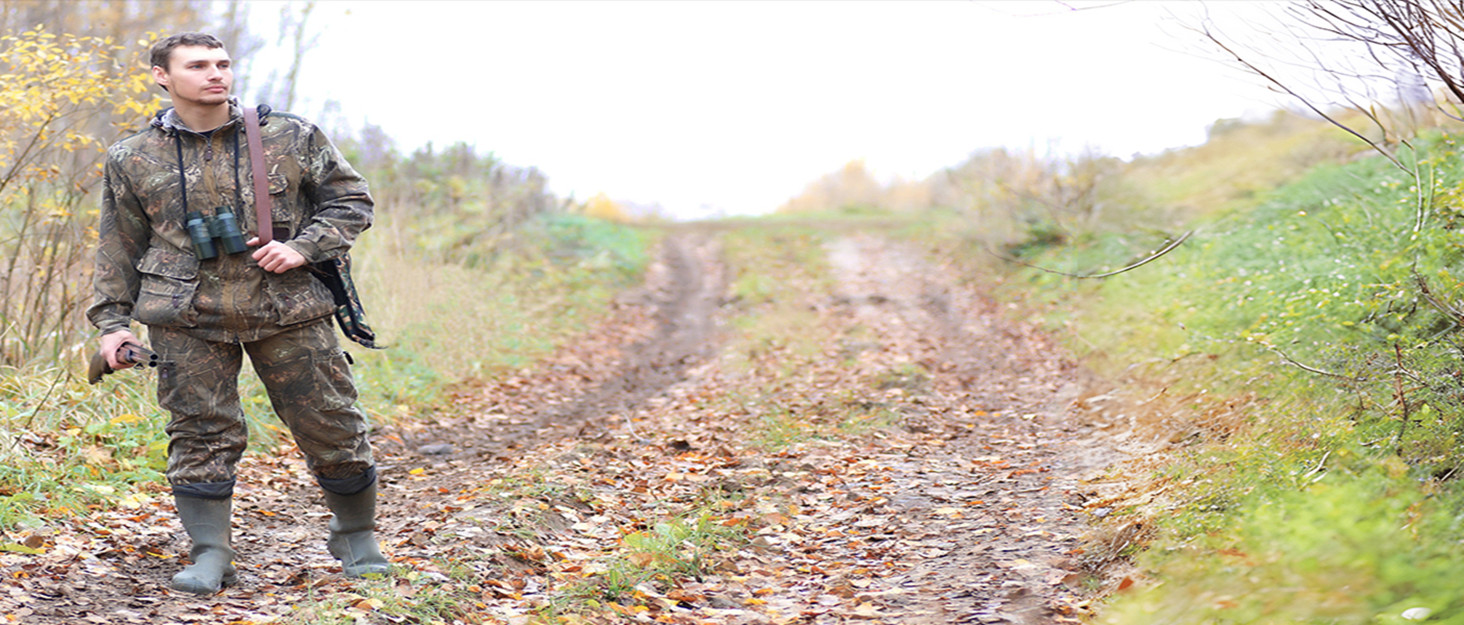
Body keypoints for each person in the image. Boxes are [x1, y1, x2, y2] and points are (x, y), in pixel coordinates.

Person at [87, 32, 387, 595]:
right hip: (185, 315)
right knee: (200, 434)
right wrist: (113, 324)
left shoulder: (289, 135)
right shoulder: (131, 156)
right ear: (162, 76)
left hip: (288, 307)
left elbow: (352, 201)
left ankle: (355, 535)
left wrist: (305, 246)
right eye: (198, 65)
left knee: (331, 424)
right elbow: (118, 246)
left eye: (222, 63)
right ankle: (210, 553)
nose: (215, 74)